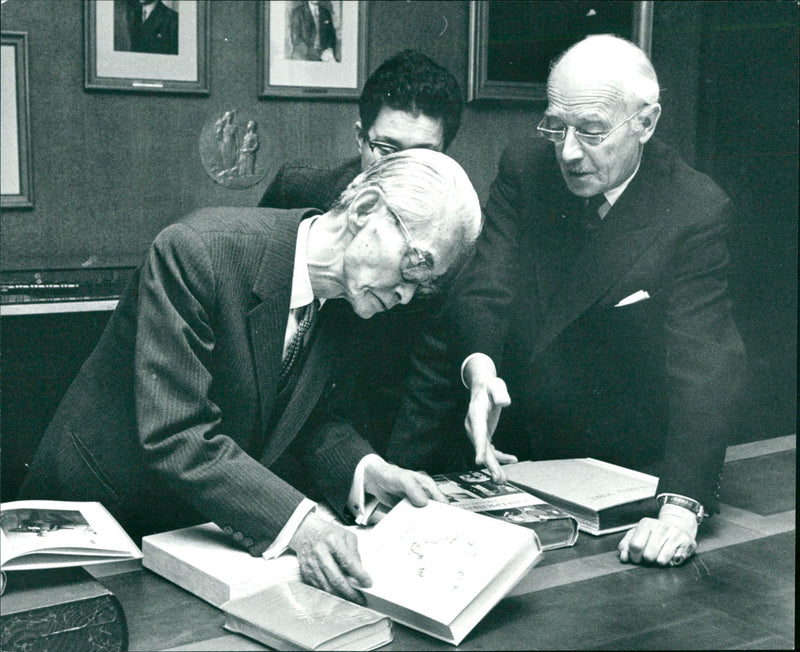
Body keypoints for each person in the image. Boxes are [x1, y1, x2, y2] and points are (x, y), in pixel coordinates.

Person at [18, 149, 482, 602]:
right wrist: (302, 526)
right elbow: (178, 434)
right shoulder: (196, 251)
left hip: (201, 534)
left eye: (425, 286)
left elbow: (309, 421)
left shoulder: (349, 299)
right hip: (101, 525)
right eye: (415, 265)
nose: (407, 294)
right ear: (364, 209)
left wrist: (369, 471)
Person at [387, 35, 746, 568]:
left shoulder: (694, 209)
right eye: (557, 126)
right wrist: (480, 370)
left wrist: (679, 509)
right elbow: (486, 283)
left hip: (623, 481)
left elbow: (706, 366)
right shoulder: (527, 165)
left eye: (593, 131)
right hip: (515, 459)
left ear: (646, 123)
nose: (569, 151)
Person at [258, 49, 464, 455]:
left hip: (381, 428)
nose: (402, 167)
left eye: (422, 155)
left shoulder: (446, 235)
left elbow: (428, 383)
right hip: (289, 427)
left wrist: (395, 479)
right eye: (387, 149)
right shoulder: (298, 191)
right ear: (359, 138)